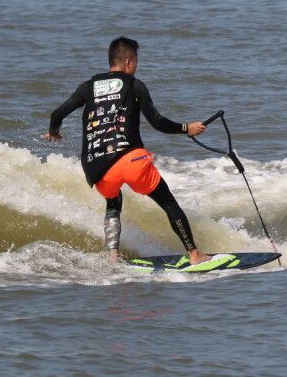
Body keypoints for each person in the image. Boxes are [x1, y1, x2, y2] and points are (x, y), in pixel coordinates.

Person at [43, 36, 210, 265]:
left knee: (113, 202)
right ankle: (194, 253)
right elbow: (157, 122)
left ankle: (112, 255)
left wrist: (54, 132)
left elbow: (57, 114)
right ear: (129, 61)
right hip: (131, 161)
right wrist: (186, 128)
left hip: (97, 170)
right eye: (136, 62)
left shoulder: (88, 87)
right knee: (168, 202)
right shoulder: (134, 85)